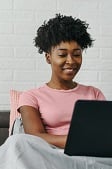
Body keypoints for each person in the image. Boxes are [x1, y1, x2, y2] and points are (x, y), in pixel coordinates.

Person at [18, 14, 106, 149]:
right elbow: (34, 137)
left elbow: (105, 133)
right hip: (49, 157)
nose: (71, 61)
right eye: (62, 55)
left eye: (76, 54)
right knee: (16, 144)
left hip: (88, 156)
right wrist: (77, 141)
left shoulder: (94, 93)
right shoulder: (31, 97)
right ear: (48, 58)